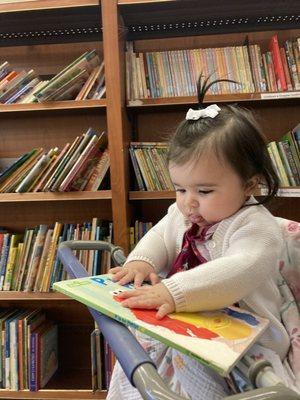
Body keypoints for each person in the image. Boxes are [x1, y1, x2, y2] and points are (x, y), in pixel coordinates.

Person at [106, 76, 290, 400]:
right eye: (180, 188)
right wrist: (140, 260)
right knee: (138, 362)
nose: (188, 201)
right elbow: (162, 233)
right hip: (191, 323)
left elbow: (239, 269)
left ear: (249, 185)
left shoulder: (255, 226)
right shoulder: (186, 213)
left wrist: (172, 291)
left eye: (204, 191)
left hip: (247, 338)